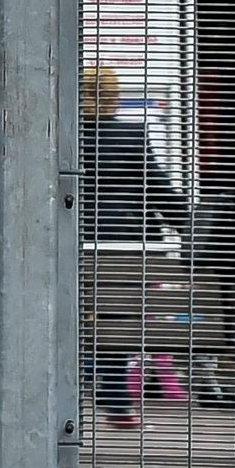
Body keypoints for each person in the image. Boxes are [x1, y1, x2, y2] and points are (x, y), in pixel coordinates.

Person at [80, 66, 189, 433]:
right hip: (124, 245)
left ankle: (77, 394)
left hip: (76, 242)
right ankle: (117, 403)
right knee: (117, 324)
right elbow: (158, 189)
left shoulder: (68, 135)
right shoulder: (130, 136)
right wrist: (190, 224)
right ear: (114, 96)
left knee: (74, 320)